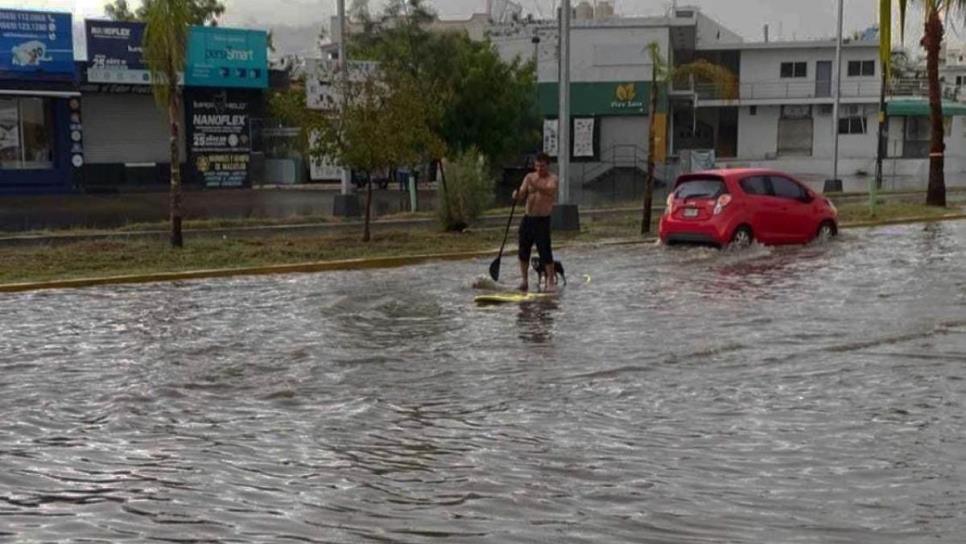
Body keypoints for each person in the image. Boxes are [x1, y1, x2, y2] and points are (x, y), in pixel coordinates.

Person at [513, 152, 559, 292]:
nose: (539, 169)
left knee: (545, 250)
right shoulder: (529, 177)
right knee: (523, 250)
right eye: (537, 166)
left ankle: (550, 280)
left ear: (548, 166)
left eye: (543, 166)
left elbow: (550, 190)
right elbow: (522, 194)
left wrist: (536, 185)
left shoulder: (552, 178)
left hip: (542, 219)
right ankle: (524, 280)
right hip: (528, 218)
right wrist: (517, 195)